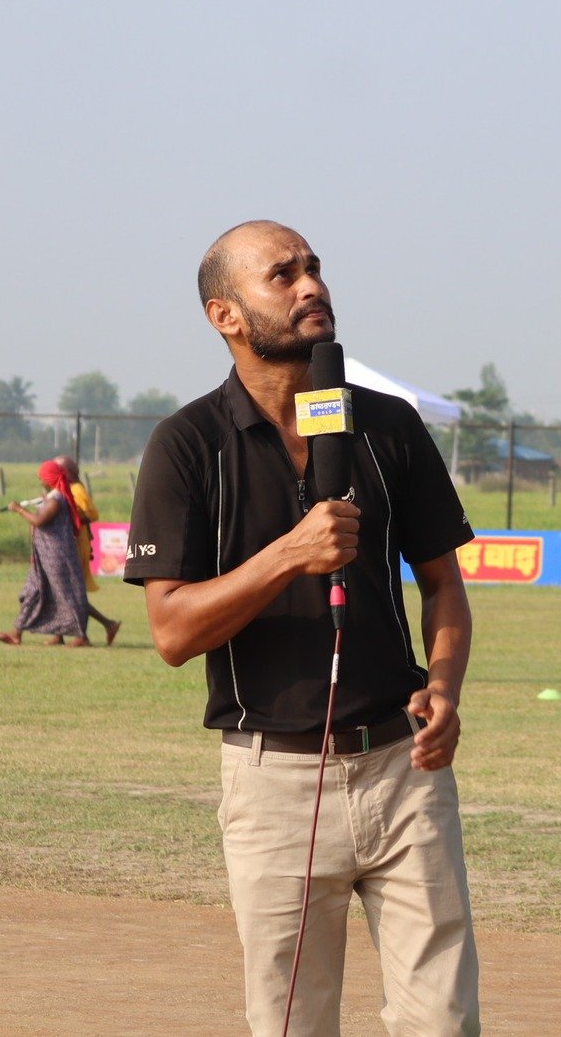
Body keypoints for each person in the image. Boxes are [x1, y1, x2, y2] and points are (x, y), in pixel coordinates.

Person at [125, 220, 480, 1035]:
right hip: (275, 783)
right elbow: (173, 634)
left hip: (404, 769)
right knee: (294, 1024)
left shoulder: (386, 427)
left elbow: (444, 587)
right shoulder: (185, 445)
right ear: (227, 317)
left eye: (314, 268)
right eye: (282, 276)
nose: (311, 286)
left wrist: (445, 689)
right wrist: (288, 555)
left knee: (445, 1022)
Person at [0, 459, 91, 647]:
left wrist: (19, 509)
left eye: (42, 478)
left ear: (50, 479)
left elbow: (39, 521)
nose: (41, 481)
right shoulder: (53, 498)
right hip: (44, 555)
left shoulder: (56, 500)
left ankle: (81, 636)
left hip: (56, 556)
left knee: (66, 594)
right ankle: (16, 634)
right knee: (32, 592)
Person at [55, 454, 122, 645]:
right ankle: (59, 634)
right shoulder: (67, 489)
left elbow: (91, 514)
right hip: (71, 544)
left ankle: (96, 629)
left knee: (71, 592)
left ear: (66, 473)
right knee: (62, 591)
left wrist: (66, 516)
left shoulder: (76, 490)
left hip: (75, 545)